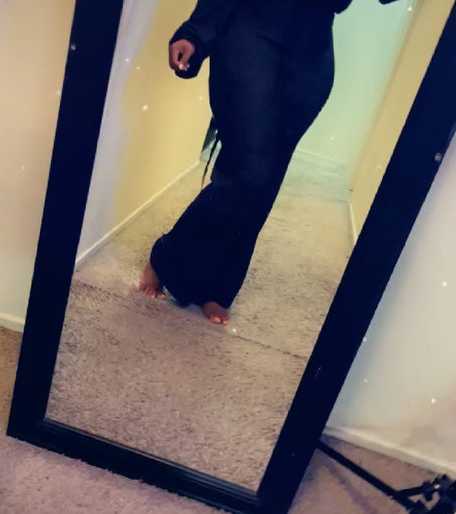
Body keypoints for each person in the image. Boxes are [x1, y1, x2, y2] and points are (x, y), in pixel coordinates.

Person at [139, 0, 400, 325]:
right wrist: (196, 31)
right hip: (251, 27)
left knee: (266, 180)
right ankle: (167, 257)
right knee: (250, 172)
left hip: (312, 51)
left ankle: (220, 285)